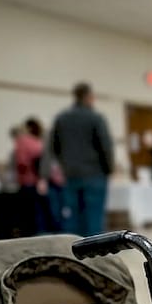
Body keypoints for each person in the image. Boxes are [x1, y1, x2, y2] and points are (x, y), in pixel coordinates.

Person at [50, 81, 113, 236]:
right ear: (89, 97)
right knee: (94, 218)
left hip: (71, 175)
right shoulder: (95, 118)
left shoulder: (61, 118)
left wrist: (65, 165)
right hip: (94, 175)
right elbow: (106, 147)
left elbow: (54, 147)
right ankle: (95, 256)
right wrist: (108, 170)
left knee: (73, 218)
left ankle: (73, 256)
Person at [12, 118, 53, 234]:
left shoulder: (23, 141)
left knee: (29, 217)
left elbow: (21, 163)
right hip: (42, 182)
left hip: (28, 182)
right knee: (42, 215)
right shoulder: (40, 141)